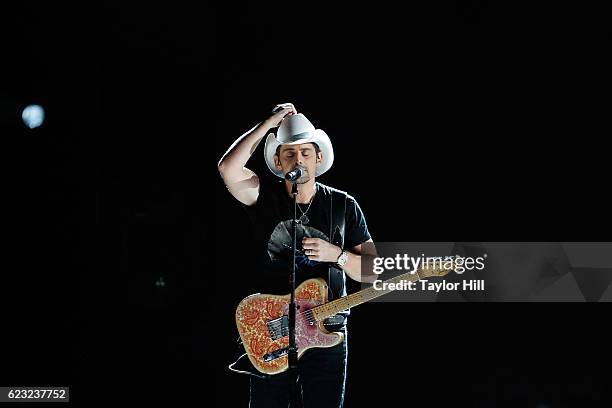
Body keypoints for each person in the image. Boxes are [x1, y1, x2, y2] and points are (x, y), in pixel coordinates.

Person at [218, 103, 375, 407]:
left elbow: (371, 271)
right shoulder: (264, 197)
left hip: (327, 328)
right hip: (272, 328)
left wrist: (337, 255)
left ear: (318, 158)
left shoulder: (343, 206)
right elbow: (228, 168)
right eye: (288, 153)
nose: (297, 159)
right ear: (278, 160)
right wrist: (270, 122)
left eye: (305, 153)